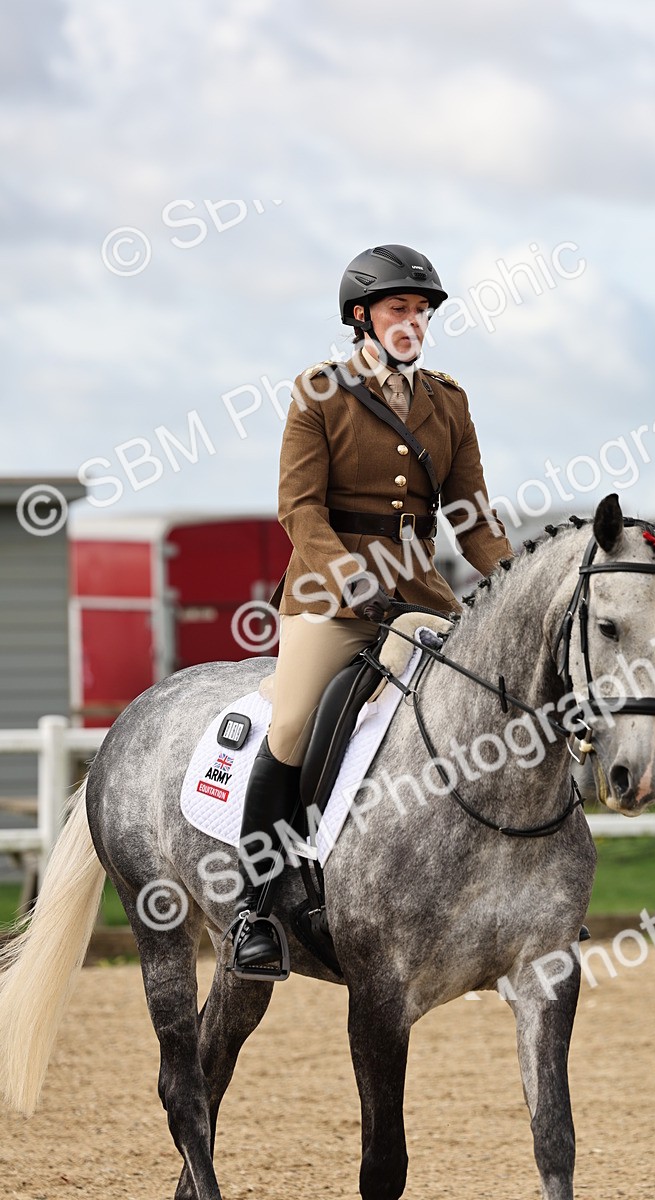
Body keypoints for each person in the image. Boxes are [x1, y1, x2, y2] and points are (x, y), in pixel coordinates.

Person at [230, 243, 514, 976]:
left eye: (421, 311)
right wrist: (351, 579)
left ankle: (517, 895)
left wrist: (515, 580)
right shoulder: (319, 392)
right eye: (399, 308)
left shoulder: (447, 400)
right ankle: (254, 911)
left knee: (495, 701)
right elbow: (299, 508)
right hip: (331, 597)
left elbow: (471, 516)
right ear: (361, 316)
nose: (413, 321)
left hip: (418, 592)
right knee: (294, 721)